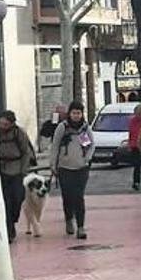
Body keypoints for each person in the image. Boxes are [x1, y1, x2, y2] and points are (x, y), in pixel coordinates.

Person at [50, 101, 95, 240]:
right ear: (69, 113)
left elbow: (90, 145)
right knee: (67, 196)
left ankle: (80, 227)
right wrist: (53, 164)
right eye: (74, 113)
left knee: (79, 197)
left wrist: (87, 158)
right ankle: (69, 219)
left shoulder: (84, 128)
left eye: (79, 113)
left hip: (81, 167)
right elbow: (55, 146)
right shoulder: (62, 128)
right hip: (64, 167)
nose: (76, 116)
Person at [0, 110, 34, 243]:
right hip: (2, 169)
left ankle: (13, 218)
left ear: (12, 124)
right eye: (1, 123)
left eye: (5, 124)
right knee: (6, 201)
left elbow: (26, 152)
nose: (2, 126)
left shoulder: (19, 133)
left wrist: (23, 170)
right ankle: (9, 230)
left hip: (17, 169)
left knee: (18, 198)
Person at [128, 104, 141, 191]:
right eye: (138, 113)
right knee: (137, 165)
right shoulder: (133, 121)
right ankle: (136, 182)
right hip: (135, 145)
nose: (140, 115)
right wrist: (130, 144)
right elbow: (131, 133)